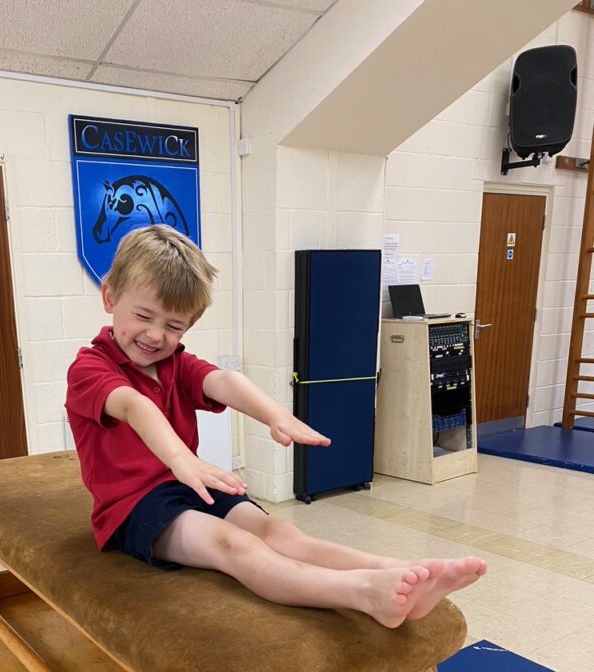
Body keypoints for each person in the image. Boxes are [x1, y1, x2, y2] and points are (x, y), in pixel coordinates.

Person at [66, 225, 486, 628]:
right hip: (134, 507)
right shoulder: (90, 368)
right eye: (144, 316)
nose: (156, 335)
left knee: (279, 532)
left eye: (174, 326)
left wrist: (275, 415)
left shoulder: (173, 363)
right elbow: (135, 407)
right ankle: (363, 592)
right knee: (236, 545)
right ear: (109, 297)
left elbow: (223, 381)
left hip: (188, 483)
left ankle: (407, 572)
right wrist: (180, 459)